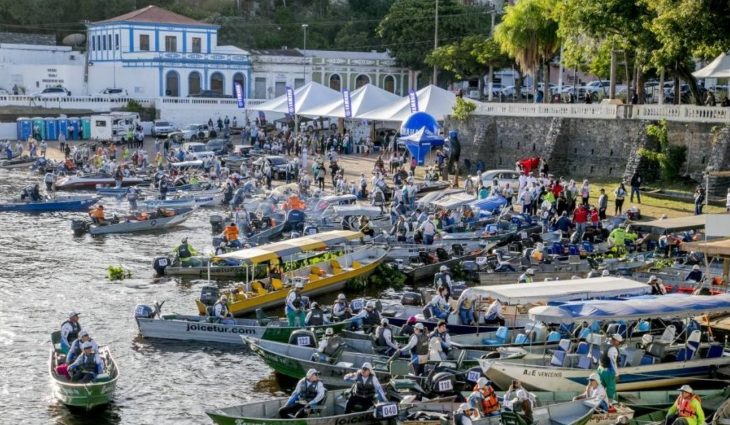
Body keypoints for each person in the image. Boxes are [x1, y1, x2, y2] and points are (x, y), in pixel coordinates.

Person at [598, 334, 622, 400]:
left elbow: (600, 357)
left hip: (600, 369)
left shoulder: (604, 345)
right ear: (614, 341)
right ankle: (610, 403)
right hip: (608, 372)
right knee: (611, 388)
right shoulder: (613, 349)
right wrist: (617, 374)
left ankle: (599, 400)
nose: (619, 344)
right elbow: (613, 362)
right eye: (618, 342)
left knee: (601, 387)